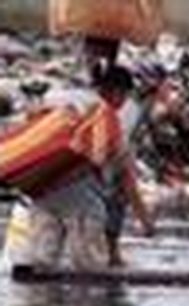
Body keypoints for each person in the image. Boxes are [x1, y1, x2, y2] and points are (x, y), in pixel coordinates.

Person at [4, 64, 154, 272]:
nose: (124, 102)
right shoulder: (107, 118)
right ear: (117, 92)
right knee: (89, 267)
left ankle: (39, 300)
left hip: (42, 190)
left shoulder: (69, 104)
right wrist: (145, 221)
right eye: (125, 95)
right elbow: (127, 177)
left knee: (40, 264)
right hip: (81, 199)